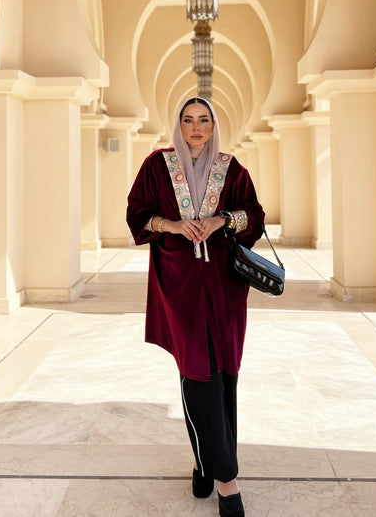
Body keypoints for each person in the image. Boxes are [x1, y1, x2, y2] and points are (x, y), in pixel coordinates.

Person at [126, 96, 265, 517]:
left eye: (204, 119)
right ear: (179, 124)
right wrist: (171, 224)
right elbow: (137, 213)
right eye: (188, 120)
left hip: (224, 287)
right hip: (179, 284)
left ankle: (202, 462)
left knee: (223, 375)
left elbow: (255, 216)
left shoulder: (232, 167)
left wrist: (222, 219)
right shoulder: (157, 165)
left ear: (214, 124)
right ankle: (227, 480)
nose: (197, 127)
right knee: (196, 372)